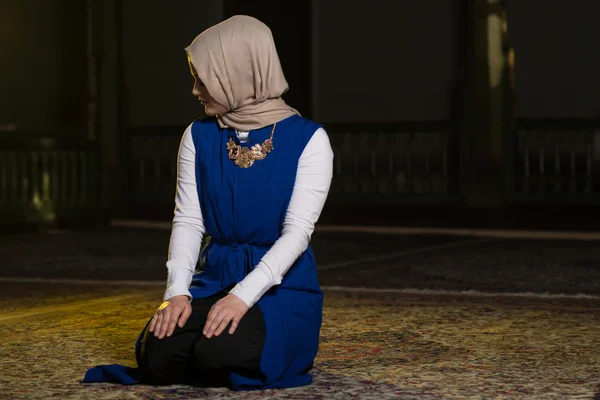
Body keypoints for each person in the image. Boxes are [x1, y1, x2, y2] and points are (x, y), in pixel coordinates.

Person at [82, 15, 333, 390]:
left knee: (218, 355)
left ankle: (275, 340)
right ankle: (208, 334)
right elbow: (187, 220)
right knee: (158, 357)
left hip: (281, 289)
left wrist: (241, 297)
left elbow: (296, 234)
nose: (195, 90)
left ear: (237, 73)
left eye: (203, 79)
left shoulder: (310, 140)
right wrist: (177, 294)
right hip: (213, 276)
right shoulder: (197, 136)